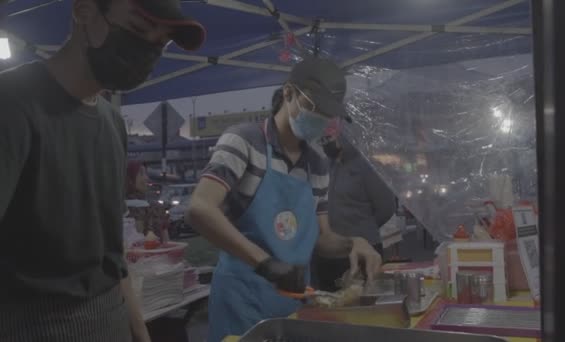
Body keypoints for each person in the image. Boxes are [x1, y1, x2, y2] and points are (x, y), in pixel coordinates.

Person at [0, 0, 205, 341]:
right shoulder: (11, 103)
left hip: (109, 318)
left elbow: (113, 254)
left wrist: (138, 328)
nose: (145, 50)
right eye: (138, 30)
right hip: (33, 324)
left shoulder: (112, 122)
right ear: (83, 10)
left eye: (160, 43)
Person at [186, 57, 383, 341]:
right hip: (242, 299)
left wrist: (353, 243)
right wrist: (266, 264)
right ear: (288, 93)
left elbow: (321, 237)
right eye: (314, 108)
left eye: (328, 114)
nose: (321, 120)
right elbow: (200, 209)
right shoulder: (243, 141)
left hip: (293, 300)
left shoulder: (316, 165)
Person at [314, 131, 397, 292]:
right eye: (322, 139)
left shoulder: (367, 166)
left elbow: (386, 207)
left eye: (329, 137)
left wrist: (363, 228)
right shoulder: (324, 167)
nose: (326, 143)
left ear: (344, 136)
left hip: (363, 250)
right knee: (329, 306)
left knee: (363, 302)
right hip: (330, 252)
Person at [125, 161, 170, 243]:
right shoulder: (155, 208)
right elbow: (166, 242)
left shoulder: (118, 208)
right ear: (128, 178)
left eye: (145, 173)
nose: (147, 178)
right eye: (141, 174)